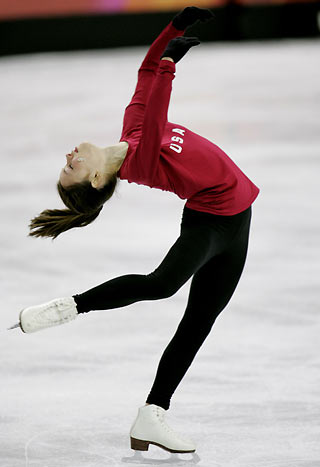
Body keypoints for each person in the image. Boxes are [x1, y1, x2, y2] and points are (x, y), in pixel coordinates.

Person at [18, 7, 260, 455]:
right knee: (162, 285)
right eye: (72, 167)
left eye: (66, 161)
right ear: (95, 181)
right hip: (211, 222)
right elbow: (159, 97)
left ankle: (152, 415)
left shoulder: (131, 132)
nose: (69, 155)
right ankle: (72, 306)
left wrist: (175, 29)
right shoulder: (141, 159)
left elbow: (145, 73)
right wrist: (170, 63)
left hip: (239, 221)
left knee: (198, 323)